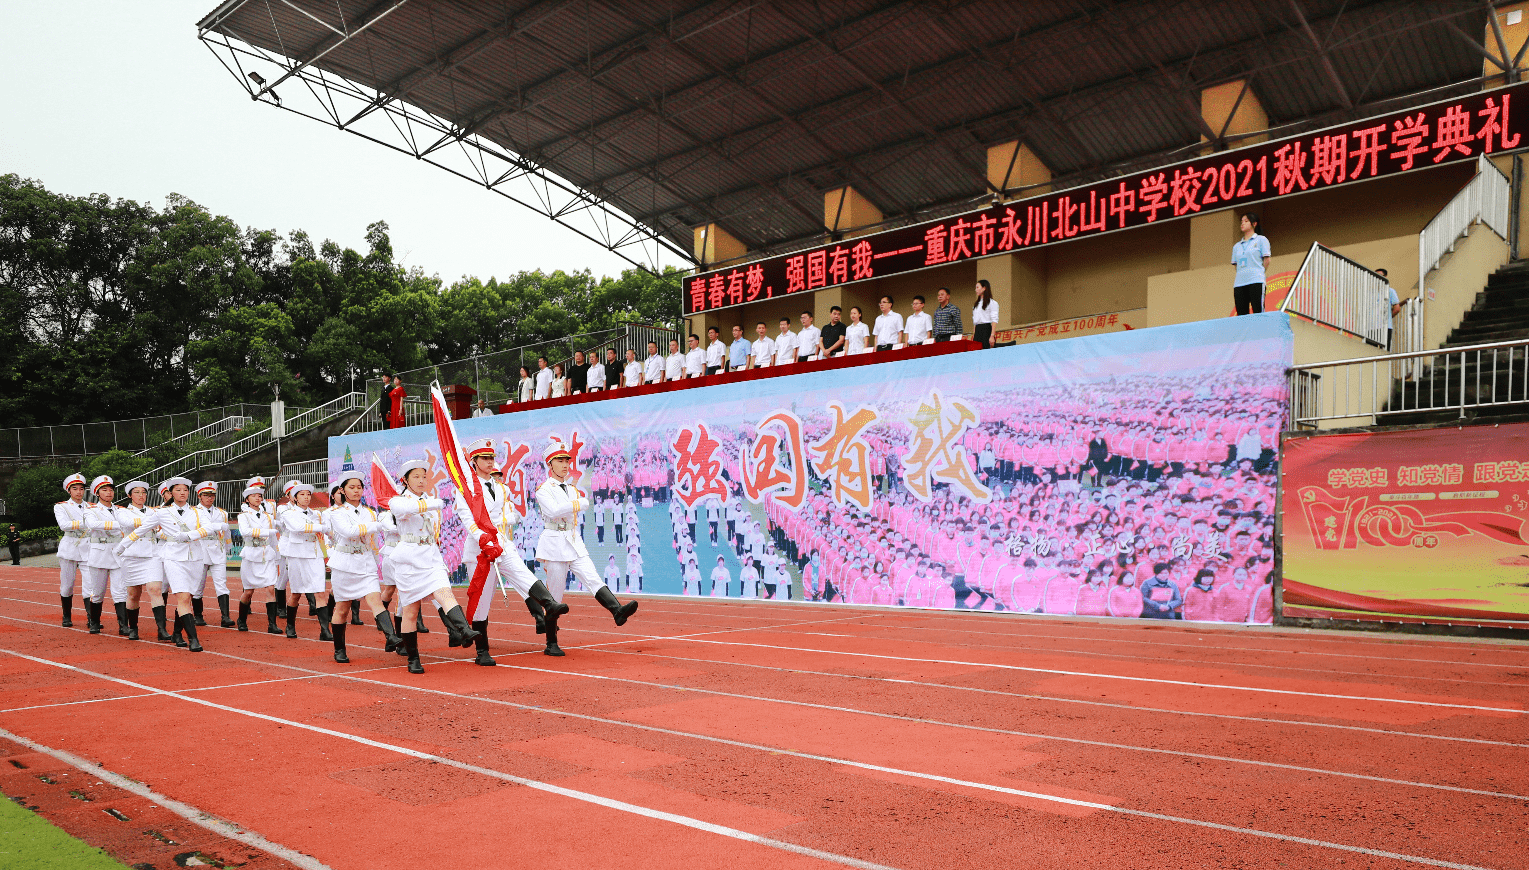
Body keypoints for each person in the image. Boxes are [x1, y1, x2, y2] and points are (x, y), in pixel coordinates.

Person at [454, 439, 566, 662]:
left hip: (501, 543)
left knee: (523, 573)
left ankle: (549, 604)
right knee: (482, 600)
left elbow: (503, 516)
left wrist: (496, 538)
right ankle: (482, 651)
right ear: (474, 462)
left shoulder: (498, 487)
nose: (489, 462)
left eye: (491, 458)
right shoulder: (466, 488)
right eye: (485, 458)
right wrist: (483, 538)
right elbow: (467, 519)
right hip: (479, 549)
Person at [534, 437, 640, 655]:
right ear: (550, 464)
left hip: (573, 540)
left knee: (593, 577)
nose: (565, 464)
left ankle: (617, 610)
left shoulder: (571, 488)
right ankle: (551, 642)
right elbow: (554, 511)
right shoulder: (544, 489)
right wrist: (576, 504)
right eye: (560, 460)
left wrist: (575, 504)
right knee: (554, 595)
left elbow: (577, 506)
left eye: (567, 460)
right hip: (554, 542)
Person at [386, 459, 481, 674]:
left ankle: (464, 629)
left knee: (445, 593)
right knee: (411, 611)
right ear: (405, 480)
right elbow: (408, 509)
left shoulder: (429, 500)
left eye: (423, 476)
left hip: (430, 556)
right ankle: (413, 658)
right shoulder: (397, 501)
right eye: (416, 477)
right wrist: (434, 503)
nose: (421, 480)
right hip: (409, 559)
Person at [326, 471, 404, 663]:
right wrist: (377, 525)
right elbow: (349, 531)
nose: (356, 491)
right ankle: (339, 649)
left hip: (365, 562)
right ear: (342, 490)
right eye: (351, 487)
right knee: (342, 608)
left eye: (359, 487)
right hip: (344, 564)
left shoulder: (370, 512)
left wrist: (392, 517)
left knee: (375, 601)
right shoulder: (337, 513)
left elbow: (384, 530)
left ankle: (391, 636)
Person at [154, 477, 210, 652]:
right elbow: (150, 530)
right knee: (183, 597)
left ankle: (177, 632)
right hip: (172, 556)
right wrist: (124, 544)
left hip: (194, 557)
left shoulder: (198, 511)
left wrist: (189, 536)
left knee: (188, 597)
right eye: (178, 490)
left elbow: (208, 528)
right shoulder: (162, 512)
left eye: (185, 490)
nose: (182, 493)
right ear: (171, 493)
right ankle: (193, 639)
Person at [109, 481, 161, 641]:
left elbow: (160, 529)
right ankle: (133, 628)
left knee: (155, 589)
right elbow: (128, 523)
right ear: (129, 495)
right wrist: (152, 521)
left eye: (144, 492)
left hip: (152, 555)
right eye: (137, 492)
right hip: (132, 556)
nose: (141, 495)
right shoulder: (122, 512)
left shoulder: (153, 511)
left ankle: (162, 629)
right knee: (133, 594)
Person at [277, 483, 330, 639]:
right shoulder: (288, 513)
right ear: (294, 498)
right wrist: (320, 527)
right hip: (297, 556)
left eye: (308, 494)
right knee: (296, 593)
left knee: (320, 592)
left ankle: (325, 630)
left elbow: (324, 535)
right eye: (302, 494)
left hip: (315, 555)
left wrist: (327, 555)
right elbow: (297, 527)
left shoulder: (316, 514)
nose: (306, 497)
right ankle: (290, 626)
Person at [82, 476, 125, 636]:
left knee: (120, 591)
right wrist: (119, 524)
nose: (109, 493)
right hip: (99, 554)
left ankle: (123, 625)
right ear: (97, 493)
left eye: (111, 489)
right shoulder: (91, 510)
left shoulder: (120, 509)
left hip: (118, 553)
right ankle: (94, 622)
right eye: (105, 490)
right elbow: (93, 525)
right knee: (98, 592)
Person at [234, 485, 280, 633]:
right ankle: (242, 619)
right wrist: (266, 531)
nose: (258, 498)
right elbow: (245, 532)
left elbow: (272, 538)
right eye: (254, 496)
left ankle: (272, 624)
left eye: (260, 496)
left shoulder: (268, 516)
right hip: (251, 554)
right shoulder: (243, 516)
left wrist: (276, 554)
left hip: (267, 554)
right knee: (248, 591)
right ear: (247, 499)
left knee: (271, 588)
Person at [193, 481, 235, 628]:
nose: (209, 498)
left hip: (218, 549)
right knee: (198, 585)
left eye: (212, 495)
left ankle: (225, 616)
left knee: (222, 584)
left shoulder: (222, 513)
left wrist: (228, 546)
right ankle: (197, 616)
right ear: (199, 496)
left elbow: (227, 531)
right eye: (206, 495)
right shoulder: (194, 511)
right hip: (201, 547)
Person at [54, 472, 90, 628]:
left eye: (81, 488)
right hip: (70, 547)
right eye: (75, 489)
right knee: (67, 585)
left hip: (88, 548)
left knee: (90, 585)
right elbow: (64, 525)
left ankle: (92, 617)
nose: (79, 492)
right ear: (69, 491)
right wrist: (87, 522)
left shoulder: (92, 506)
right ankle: (66, 615)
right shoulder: (61, 506)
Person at [1232, 212, 1271, 315]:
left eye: (1246, 221)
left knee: (1258, 311)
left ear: (1254, 224)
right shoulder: (1236, 246)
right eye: (1241, 222)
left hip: (1256, 280)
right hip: (1239, 283)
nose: (1242, 224)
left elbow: (1267, 260)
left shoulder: (1261, 240)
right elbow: (1236, 266)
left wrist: (1259, 272)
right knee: (1241, 315)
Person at [1376, 267, 1401, 350]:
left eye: (1379, 275)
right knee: (1370, 350)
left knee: (1384, 350)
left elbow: (1397, 308)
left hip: (1385, 326)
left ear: (1385, 277)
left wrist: (1388, 317)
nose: (1377, 278)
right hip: (1371, 327)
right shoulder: (1371, 292)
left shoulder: (1390, 291)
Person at [971, 279, 999, 348]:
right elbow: (975, 321)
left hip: (986, 329)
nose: (975, 290)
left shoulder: (992, 303)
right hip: (977, 330)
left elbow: (994, 320)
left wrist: (992, 335)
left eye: (977, 287)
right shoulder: (976, 304)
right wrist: (974, 334)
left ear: (984, 288)